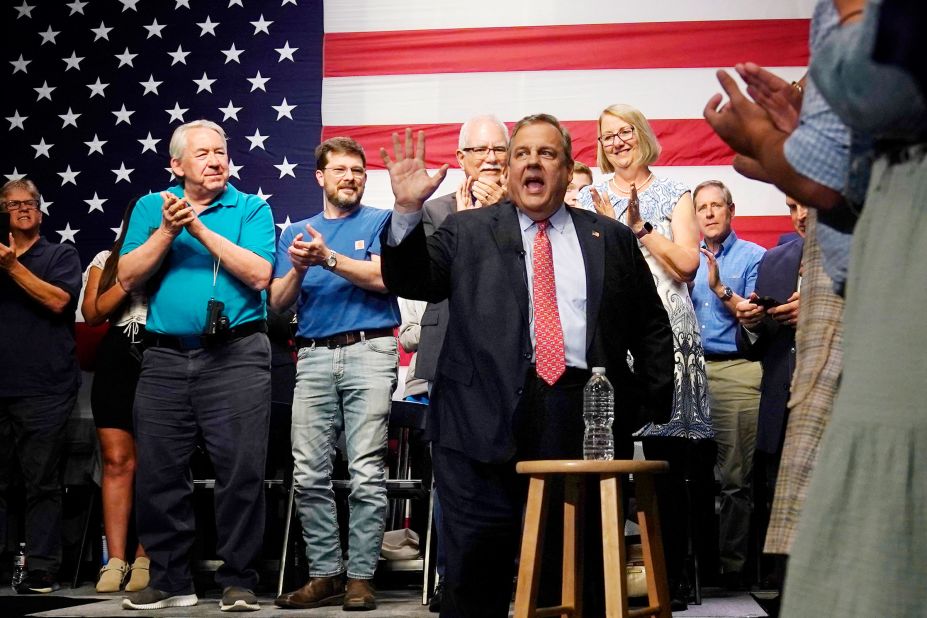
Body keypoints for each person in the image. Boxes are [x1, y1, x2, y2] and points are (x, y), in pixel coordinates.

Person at [379, 116, 675, 617]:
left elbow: (651, 325)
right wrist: (407, 210)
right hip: (477, 425)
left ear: (566, 168)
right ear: (511, 168)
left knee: (576, 576)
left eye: (547, 154)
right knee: (475, 577)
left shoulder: (611, 238)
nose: (532, 162)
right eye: (521, 154)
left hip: (581, 423)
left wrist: (644, 405)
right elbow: (413, 281)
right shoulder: (466, 230)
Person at [780, 1, 927, 615]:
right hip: (887, 238)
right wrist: (800, 153)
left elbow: (881, 83)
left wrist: (848, 14)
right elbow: (842, 187)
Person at [117, 119, 275, 612]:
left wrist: (198, 229)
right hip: (165, 357)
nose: (215, 160)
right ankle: (169, 579)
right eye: (203, 153)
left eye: (221, 152)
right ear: (176, 165)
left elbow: (259, 274)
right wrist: (167, 231)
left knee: (240, 472)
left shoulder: (252, 207)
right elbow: (125, 276)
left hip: (237, 356)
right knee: (160, 473)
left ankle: (238, 580)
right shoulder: (151, 206)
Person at [576, 103, 709, 609]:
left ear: (642, 135)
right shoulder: (588, 196)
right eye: (606, 135)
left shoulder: (677, 192)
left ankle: (670, 577)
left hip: (668, 339)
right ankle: (602, 576)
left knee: (667, 466)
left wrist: (636, 230)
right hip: (612, 341)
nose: (615, 142)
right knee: (603, 460)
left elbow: (688, 267)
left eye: (624, 132)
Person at [271, 137, 400, 612]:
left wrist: (328, 259)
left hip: (370, 349)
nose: (350, 177)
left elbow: (387, 279)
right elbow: (278, 303)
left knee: (366, 471)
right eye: (341, 170)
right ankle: (326, 574)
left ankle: (361, 578)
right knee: (308, 472)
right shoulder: (296, 233)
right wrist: (301, 268)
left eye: (358, 171)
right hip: (314, 356)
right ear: (320, 178)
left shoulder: (381, 221)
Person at [413, 114, 509, 613]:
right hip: (448, 355)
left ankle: (502, 577)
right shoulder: (437, 210)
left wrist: (503, 215)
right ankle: (451, 578)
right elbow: (429, 272)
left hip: (505, 363)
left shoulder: (525, 210)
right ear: (461, 159)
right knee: (450, 477)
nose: (491, 159)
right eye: (481, 151)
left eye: (499, 150)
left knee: (497, 476)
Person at [0, 179, 82, 595]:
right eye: (13, 204)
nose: (23, 209)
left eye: (30, 202)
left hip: (45, 388)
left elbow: (57, 302)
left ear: (40, 210)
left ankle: (42, 568)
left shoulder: (59, 254)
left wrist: (12, 266)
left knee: (41, 481)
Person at [690, 179, 766, 588]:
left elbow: (755, 317)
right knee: (691, 476)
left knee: (735, 478)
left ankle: (733, 569)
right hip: (687, 372)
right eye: (702, 207)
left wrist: (720, 287)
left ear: (731, 210)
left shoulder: (755, 256)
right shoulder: (685, 257)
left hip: (735, 370)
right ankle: (694, 565)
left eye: (717, 205)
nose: (709, 213)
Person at [734, 197, 806, 588]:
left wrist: (817, 309)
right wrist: (751, 323)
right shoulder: (775, 259)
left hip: (839, 408)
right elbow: (754, 346)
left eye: (808, 204)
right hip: (783, 409)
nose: (802, 216)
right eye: (792, 206)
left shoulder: (863, 257)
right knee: (785, 517)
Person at [81, 199, 150, 593]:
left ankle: (146, 556)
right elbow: (92, 314)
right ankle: (116, 560)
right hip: (116, 360)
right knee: (117, 461)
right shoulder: (107, 258)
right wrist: (127, 277)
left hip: (161, 353)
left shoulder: (174, 255)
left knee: (158, 462)